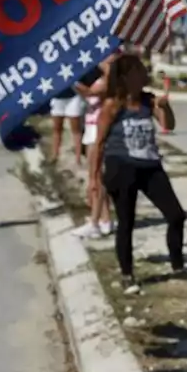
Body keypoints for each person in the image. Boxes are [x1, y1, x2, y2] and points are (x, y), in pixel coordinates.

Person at [89, 53, 187, 295]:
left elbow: (168, 125)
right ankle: (127, 274)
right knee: (126, 223)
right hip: (121, 167)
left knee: (176, 215)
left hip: (150, 166)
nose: (145, 74)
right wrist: (93, 177)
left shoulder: (148, 100)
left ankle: (177, 265)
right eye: (140, 70)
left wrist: (165, 108)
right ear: (126, 77)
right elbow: (99, 142)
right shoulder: (113, 105)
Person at [73, 54, 116, 239]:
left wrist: (71, 81)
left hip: (100, 132)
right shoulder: (100, 79)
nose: (103, 60)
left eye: (108, 59)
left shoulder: (111, 82)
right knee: (96, 177)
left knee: (96, 180)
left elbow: (90, 93)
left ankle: (94, 223)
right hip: (91, 129)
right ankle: (105, 220)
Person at [48, 84, 86, 167]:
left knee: (76, 129)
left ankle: (78, 158)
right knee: (57, 128)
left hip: (73, 96)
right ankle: (55, 155)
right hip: (57, 96)